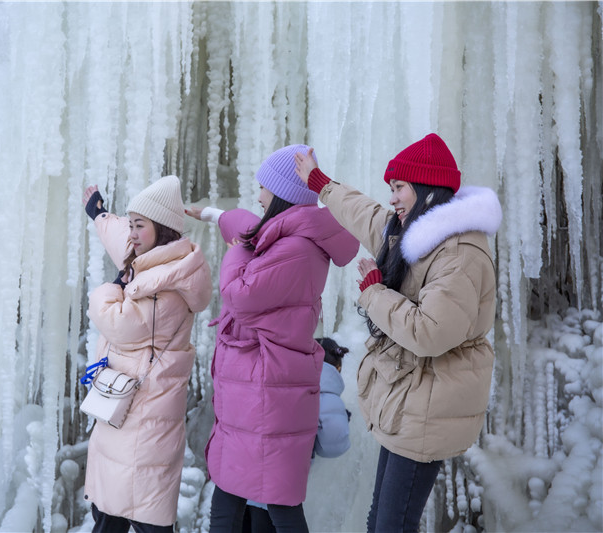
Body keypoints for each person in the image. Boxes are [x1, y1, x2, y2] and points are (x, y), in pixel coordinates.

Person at [294, 133, 502, 533]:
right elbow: (365, 214)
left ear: (425, 190)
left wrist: (373, 292)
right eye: (391, 188)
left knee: (391, 525)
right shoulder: (414, 231)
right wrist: (321, 184)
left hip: (431, 403)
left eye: (399, 188)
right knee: (382, 521)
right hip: (411, 399)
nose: (391, 197)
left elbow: (431, 332)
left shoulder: (459, 252)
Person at [192, 144, 360, 533]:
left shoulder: (296, 249)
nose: (258, 194)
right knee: (232, 492)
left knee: (276, 502)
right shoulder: (290, 237)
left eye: (264, 187)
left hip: (265, 391)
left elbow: (240, 294)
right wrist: (212, 215)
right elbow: (250, 228)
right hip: (259, 390)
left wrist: (234, 254)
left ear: (282, 193)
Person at [81, 175, 212, 533]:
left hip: (144, 416)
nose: (133, 234)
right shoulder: (153, 259)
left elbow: (118, 323)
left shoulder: (167, 288)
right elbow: (122, 236)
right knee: (110, 512)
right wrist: (100, 214)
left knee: (144, 513)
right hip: (124, 407)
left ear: (162, 229)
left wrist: (111, 288)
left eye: (140, 226)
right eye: (132, 224)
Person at [241, 337, 352, 533]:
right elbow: (334, 445)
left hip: (243, 482)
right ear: (337, 368)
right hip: (279, 489)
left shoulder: (281, 378)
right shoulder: (326, 392)